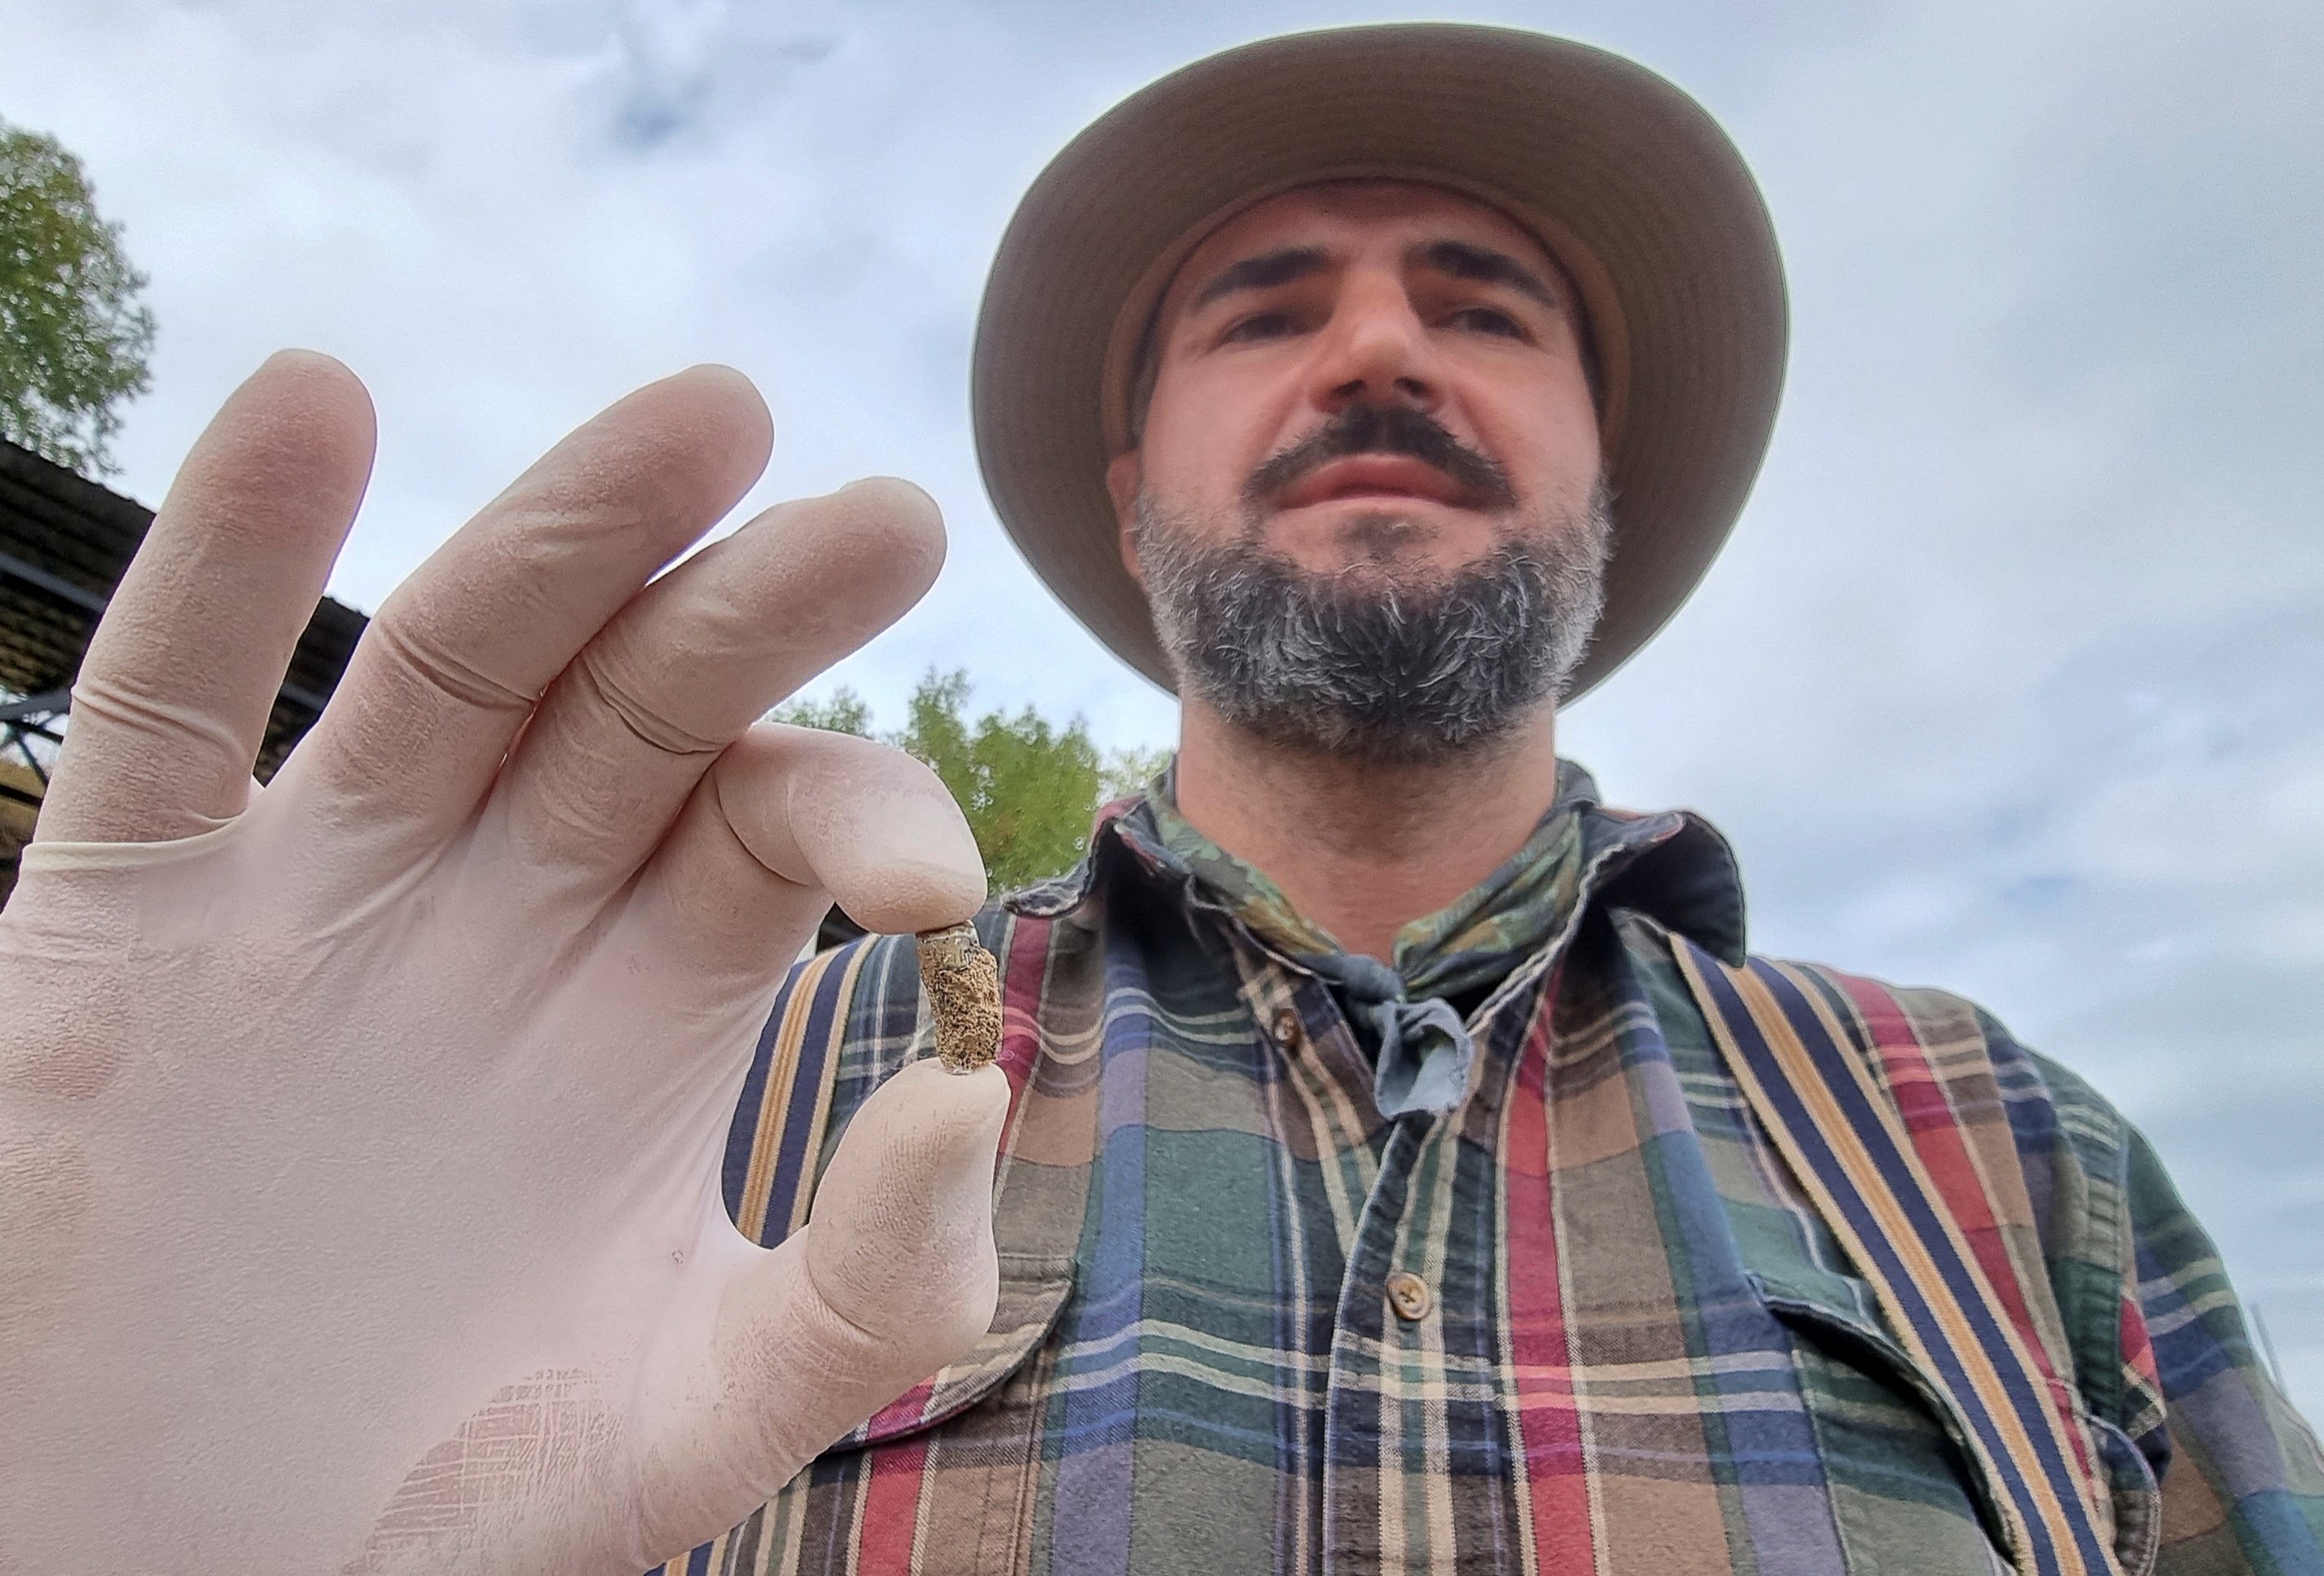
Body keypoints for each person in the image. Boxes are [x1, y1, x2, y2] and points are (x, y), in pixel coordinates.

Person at [0, 23, 2314, 1576]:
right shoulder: (712, 1098)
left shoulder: (2005, 1147)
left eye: (1486, 303)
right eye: (1272, 302)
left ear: (1603, 478)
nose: (1382, 345)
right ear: (1132, 498)